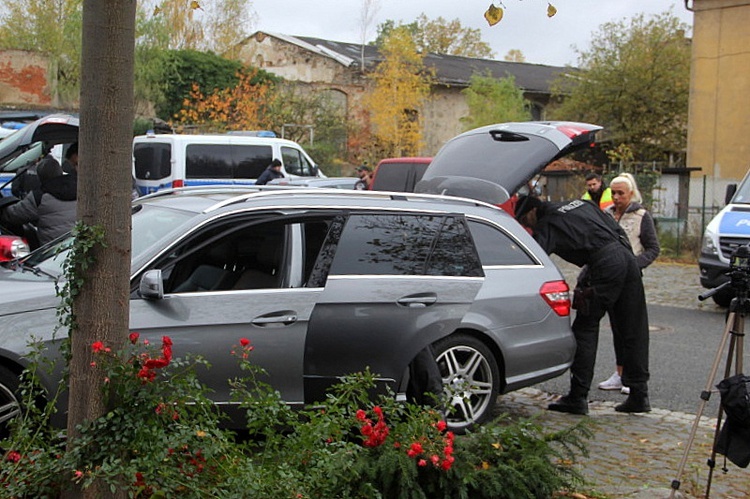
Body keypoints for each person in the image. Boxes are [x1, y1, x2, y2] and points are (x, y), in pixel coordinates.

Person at [515, 195, 651, 414]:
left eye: (524, 221)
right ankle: (639, 394)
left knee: (585, 328)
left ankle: (577, 397)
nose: (526, 226)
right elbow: (614, 228)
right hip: (626, 257)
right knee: (632, 327)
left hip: (605, 264)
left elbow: (535, 259)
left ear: (531, 212)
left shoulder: (547, 223)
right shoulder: (580, 202)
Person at [597, 173, 660, 395]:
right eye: (613, 193)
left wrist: (634, 265)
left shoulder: (642, 216)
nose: (616, 197)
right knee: (616, 329)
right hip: (609, 279)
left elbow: (653, 248)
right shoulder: (606, 215)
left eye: (620, 193)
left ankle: (632, 377)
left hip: (630, 280)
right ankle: (619, 372)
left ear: (631, 194)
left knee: (631, 330)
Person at [0, 156, 77, 247]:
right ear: (60, 171)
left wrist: (3, 209)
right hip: (77, 245)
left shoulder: (39, 196)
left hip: (53, 252)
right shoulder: (79, 188)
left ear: (40, 177)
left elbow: (14, 215)